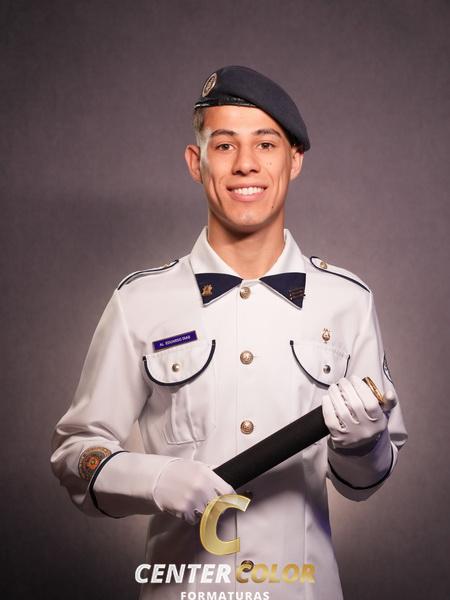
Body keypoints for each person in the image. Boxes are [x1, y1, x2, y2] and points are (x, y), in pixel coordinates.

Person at [51, 65, 407, 599]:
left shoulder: (348, 302)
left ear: (294, 160)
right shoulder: (138, 303)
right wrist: (155, 479)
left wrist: (364, 445)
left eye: (265, 144)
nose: (245, 164)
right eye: (224, 146)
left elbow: (366, 482)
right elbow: (76, 454)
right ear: (195, 162)